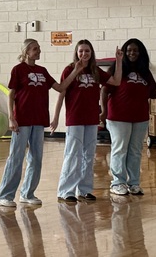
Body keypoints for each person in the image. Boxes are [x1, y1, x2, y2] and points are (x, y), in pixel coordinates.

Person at [0, 39, 86, 207]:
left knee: (36, 158)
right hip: (22, 121)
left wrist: (76, 71)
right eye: (35, 49)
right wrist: (11, 117)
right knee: (16, 157)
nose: (38, 51)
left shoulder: (42, 71)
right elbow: (11, 94)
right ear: (26, 51)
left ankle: (28, 193)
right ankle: (5, 195)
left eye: (39, 48)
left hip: (38, 120)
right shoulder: (18, 70)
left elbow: (60, 87)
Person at [52, 39, 122, 203]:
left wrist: (118, 61)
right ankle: (66, 190)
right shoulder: (70, 69)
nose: (84, 54)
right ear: (76, 53)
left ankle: (84, 189)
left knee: (89, 155)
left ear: (91, 53)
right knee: (73, 154)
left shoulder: (95, 71)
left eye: (87, 51)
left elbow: (116, 81)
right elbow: (61, 92)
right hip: (75, 118)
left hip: (91, 118)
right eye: (81, 51)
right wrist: (56, 117)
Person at [101, 38, 156, 196]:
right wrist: (103, 112)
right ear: (124, 52)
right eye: (129, 50)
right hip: (118, 117)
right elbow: (104, 90)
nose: (132, 53)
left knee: (136, 150)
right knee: (120, 149)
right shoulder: (117, 68)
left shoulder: (145, 71)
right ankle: (117, 183)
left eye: (135, 50)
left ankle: (134, 183)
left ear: (141, 53)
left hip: (140, 117)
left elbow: (151, 93)